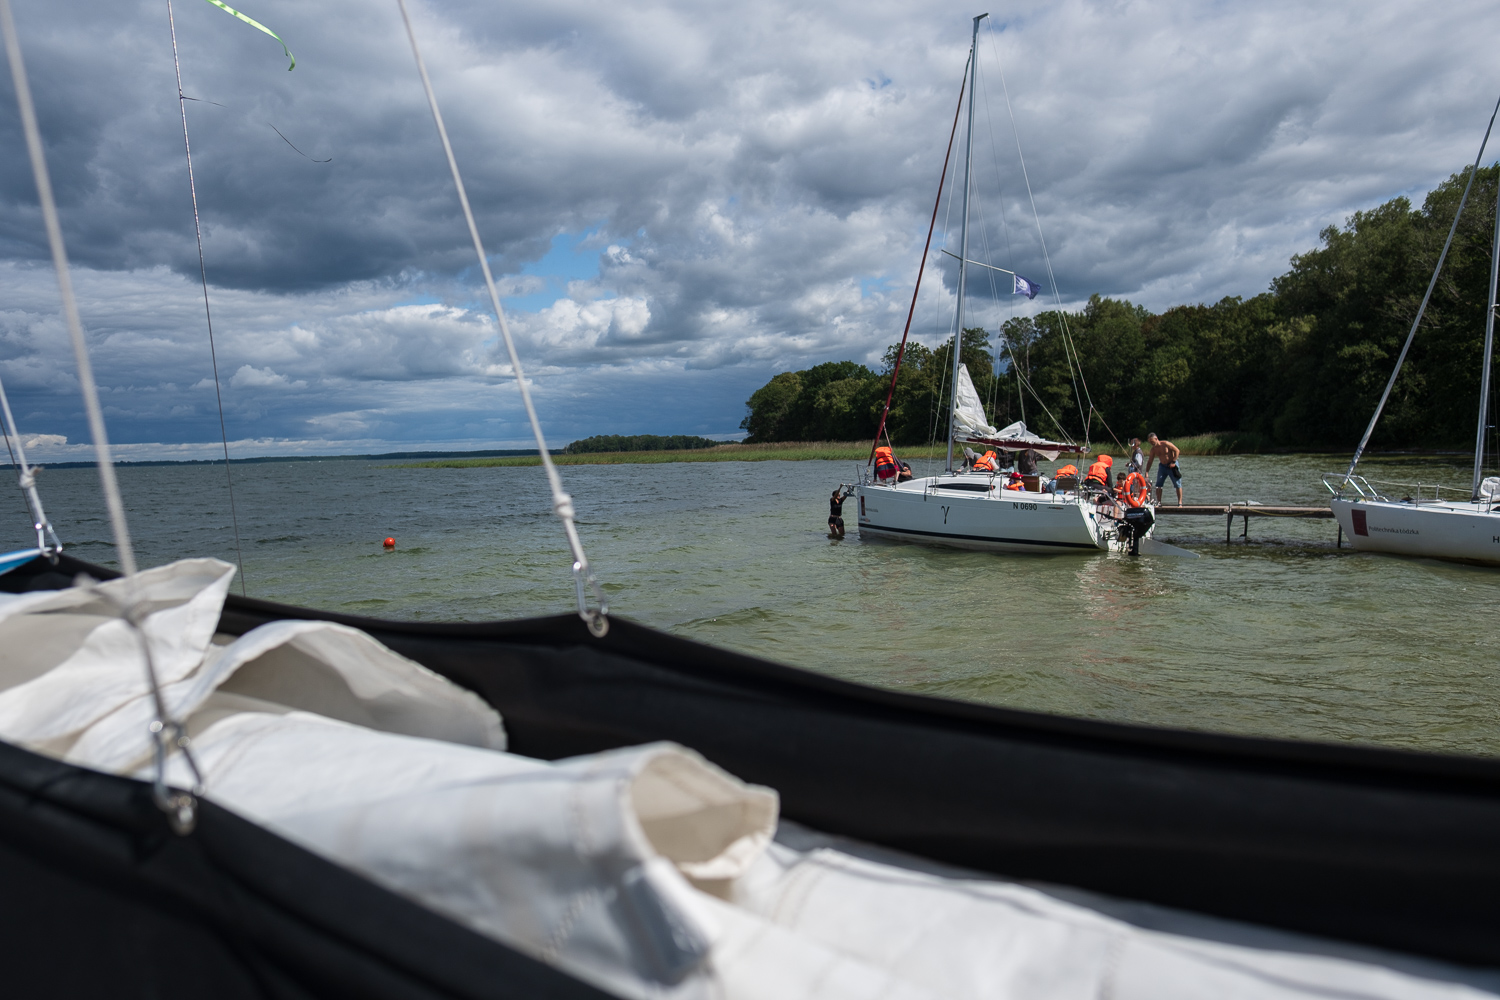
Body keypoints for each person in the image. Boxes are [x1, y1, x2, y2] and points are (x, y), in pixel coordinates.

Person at [1143, 432, 1183, 505]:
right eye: (1150, 442)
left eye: (1152, 441)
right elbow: (1150, 461)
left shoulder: (1166, 444)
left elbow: (1177, 450)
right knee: (1158, 485)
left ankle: (1179, 503)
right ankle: (1159, 502)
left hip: (1171, 465)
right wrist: (1147, 472)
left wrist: (1173, 462)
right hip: (1162, 466)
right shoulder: (1153, 449)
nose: (1151, 443)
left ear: (1156, 439)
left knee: (1177, 484)